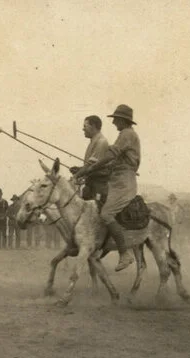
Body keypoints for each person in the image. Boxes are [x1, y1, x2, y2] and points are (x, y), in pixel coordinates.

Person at [75, 104, 140, 271]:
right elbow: (111, 160)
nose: (113, 123)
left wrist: (89, 169)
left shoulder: (127, 134)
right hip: (117, 180)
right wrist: (85, 169)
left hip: (124, 182)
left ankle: (125, 254)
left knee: (106, 213)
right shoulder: (125, 134)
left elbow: (111, 154)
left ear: (123, 120)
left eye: (116, 119)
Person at [71, 115, 110, 203]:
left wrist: (76, 175)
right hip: (91, 185)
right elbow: (90, 165)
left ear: (93, 126)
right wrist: (79, 169)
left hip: (98, 186)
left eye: (85, 126)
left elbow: (91, 165)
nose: (83, 129)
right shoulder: (94, 141)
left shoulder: (101, 142)